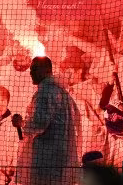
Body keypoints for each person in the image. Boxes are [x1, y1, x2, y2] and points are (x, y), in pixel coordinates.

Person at [20, 57, 79, 185]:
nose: (30, 72)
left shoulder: (45, 92)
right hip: (61, 154)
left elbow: (39, 123)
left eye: (34, 69)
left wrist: (22, 124)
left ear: (46, 70)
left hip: (47, 157)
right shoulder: (61, 90)